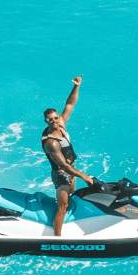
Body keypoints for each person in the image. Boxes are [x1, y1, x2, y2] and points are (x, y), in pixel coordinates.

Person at [41, 76, 96, 236]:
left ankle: (69, 220)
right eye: (50, 120)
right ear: (46, 121)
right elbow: (63, 166)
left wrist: (77, 86)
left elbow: (70, 104)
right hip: (61, 174)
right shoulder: (51, 142)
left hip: (71, 170)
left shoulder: (61, 124)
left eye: (55, 118)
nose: (54, 121)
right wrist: (84, 176)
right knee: (63, 206)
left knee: (72, 194)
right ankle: (57, 238)